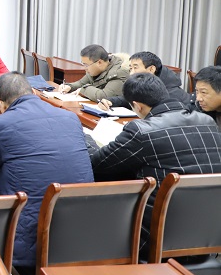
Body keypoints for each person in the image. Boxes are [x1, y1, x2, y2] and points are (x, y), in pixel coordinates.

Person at [0, 71, 93, 274]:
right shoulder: (70, 117)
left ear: (1, 104)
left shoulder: (1, 124)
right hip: (82, 234)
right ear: (33, 92)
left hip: (30, 242)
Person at [86, 72, 221, 255]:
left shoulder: (142, 130)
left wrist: (86, 140)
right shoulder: (207, 121)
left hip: (156, 239)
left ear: (137, 106)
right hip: (208, 235)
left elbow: (98, 165)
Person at [98, 51, 190, 110]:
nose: (131, 73)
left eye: (135, 68)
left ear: (151, 69)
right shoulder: (147, 84)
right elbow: (132, 99)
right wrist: (110, 101)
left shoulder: (171, 94)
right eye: (130, 68)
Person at [57, 44, 129, 101]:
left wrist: (83, 90)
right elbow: (81, 83)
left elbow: (105, 96)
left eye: (86, 65)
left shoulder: (119, 72)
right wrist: (69, 86)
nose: (85, 68)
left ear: (99, 62)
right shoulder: (94, 69)